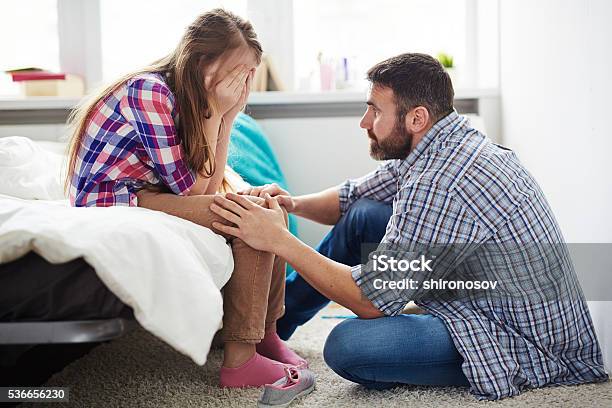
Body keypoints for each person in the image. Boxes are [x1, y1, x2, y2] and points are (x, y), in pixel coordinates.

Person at [210, 53, 609, 400]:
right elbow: (354, 197)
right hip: (484, 284)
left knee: (349, 346)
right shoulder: (444, 140)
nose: (364, 121)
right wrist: (290, 203)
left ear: (417, 117)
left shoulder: (439, 180)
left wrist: (278, 239)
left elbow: (370, 301)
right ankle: (272, 329)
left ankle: (420, 338)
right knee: (364, 215)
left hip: (522, 339)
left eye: (375, 110)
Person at [65, 9, 307, 388]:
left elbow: (206, 187)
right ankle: (240, 360)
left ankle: (265, 336)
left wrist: (228, 117)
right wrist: (219, 114)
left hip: (149, 193)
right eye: (236, 72)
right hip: (115, 198)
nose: (241, 83)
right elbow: (192, 190)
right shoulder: (150, 91)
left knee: (268, 210)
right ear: (202, 61)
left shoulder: (185, 96)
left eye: (248, 75)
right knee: (251, 219)